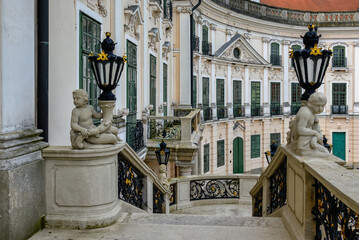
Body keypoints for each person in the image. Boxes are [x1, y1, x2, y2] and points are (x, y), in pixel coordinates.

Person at [287, 92, 329, 157]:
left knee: (325, 152)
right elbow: (300, 130)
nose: (320, 108)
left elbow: (316, 125)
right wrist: (315, 133)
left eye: (322, 106)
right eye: (318, 105)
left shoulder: (313, 112)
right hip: (302, 141)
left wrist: (319, 135)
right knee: (325, 154)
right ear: (311, 104)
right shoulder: (305, 113)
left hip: (308, 138)